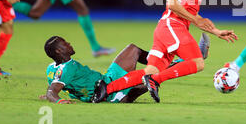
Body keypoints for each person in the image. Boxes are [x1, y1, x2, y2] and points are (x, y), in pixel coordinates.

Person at [91, 0, 238, 103]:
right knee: (198, 62)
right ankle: (155, 80)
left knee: (150, 70)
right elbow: (172, 3)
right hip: (172, 27)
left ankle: (106, 89)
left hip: (167, 30)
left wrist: (216, 31)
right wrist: (195, 20)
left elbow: (193, 16)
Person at [40, 33, 211, 104]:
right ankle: (193, 59)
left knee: (132, 49)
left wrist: (50, 95)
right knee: (152, 76)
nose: (70, 44)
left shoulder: (51, 68)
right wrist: (56, 99)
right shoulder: (67, 69)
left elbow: (53, 87)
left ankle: (186, 59)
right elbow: (52, 91)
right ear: (59, 51)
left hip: (107, 79)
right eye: (66, 44)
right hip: (109, 93)